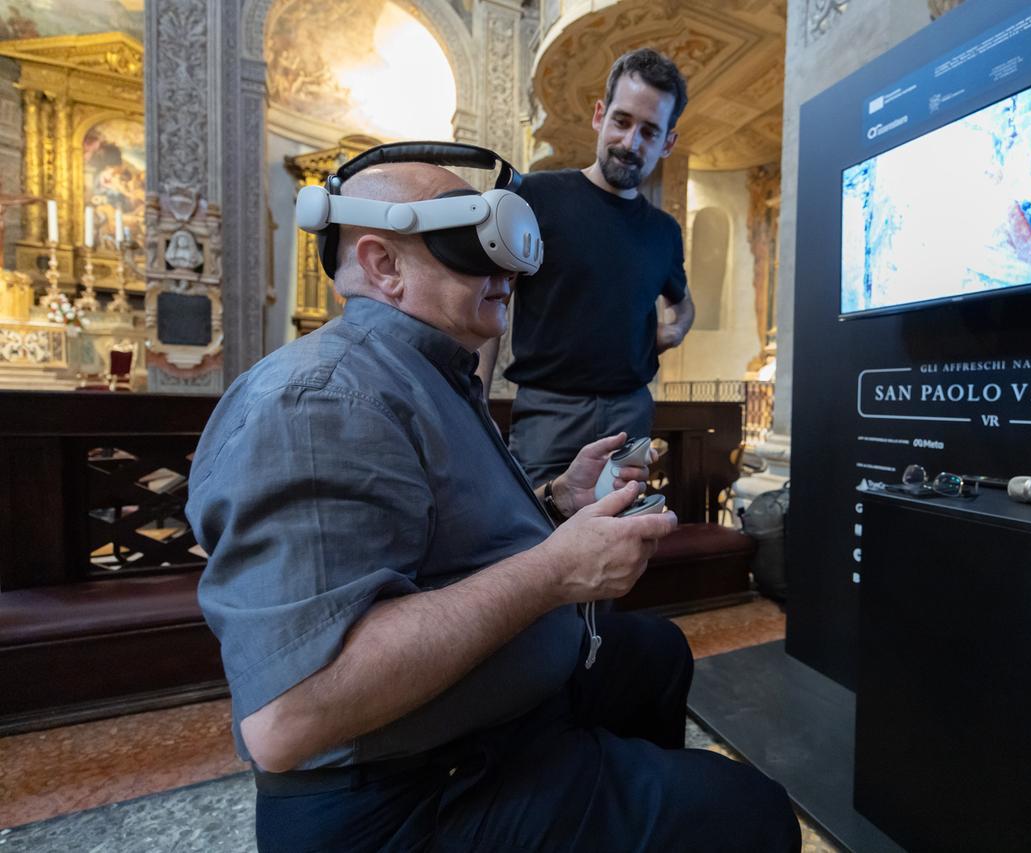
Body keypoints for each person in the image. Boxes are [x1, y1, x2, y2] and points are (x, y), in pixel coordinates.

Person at [187, 159, 799, 852]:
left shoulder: (430, 371)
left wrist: (555, 500)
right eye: (471, 242)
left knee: (654, 654)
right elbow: (294, 711)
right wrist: (553, 574)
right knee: (753, 813)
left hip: (478, 722)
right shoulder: (321, 400)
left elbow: (439, 536)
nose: (507, 270)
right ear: (383, 263)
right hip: (406, 798)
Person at [481, 48, 696, 488]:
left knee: (622, 544)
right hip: (549, 415)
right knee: (542, 540)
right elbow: (488, 299)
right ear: (600, 116)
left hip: (632, 411)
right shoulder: (536, 196)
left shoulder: (664, 231)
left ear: (667, 143)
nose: (631, 143)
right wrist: (476, 406)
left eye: (650, 132)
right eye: (622, 121)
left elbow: (684, 305)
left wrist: (675, 331)